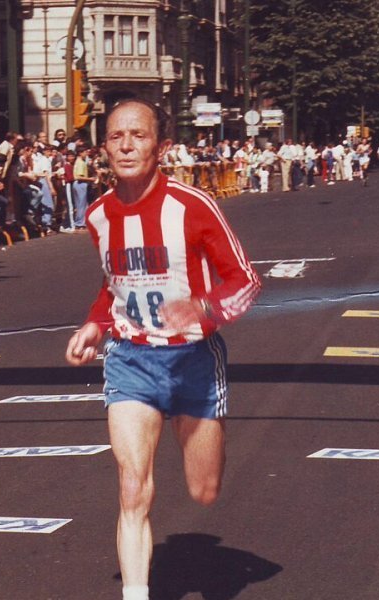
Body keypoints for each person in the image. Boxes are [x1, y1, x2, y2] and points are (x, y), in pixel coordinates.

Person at [64, 98, 261, 600]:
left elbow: (245, 280)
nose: (126, 146)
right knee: (133, 486)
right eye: (115, 137)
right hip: (131, 360)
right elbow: (114, 286)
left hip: (194, 361)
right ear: (103, 147)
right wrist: (94, 323)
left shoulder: (193, 206)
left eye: (139, 135)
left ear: (162, 146)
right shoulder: (98, 217)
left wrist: (204, 308)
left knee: (204, 490)